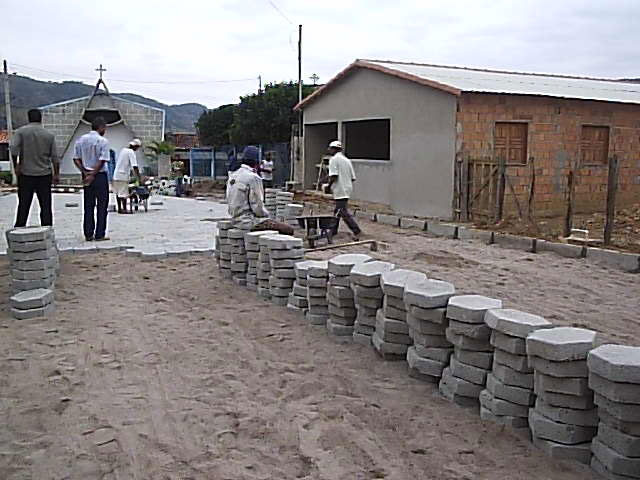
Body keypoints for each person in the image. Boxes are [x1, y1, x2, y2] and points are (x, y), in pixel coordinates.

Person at [226, 145, 293, 235]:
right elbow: (257, 206)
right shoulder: (253, 178)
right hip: (249, 221)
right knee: (287, 229)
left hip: (234, 219)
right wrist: (267, 217)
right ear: (256, 162)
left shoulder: (233, 175)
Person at [10, 108, 59, 227]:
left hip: (26, 173)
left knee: (23, 205)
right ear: (40, 118)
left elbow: (13, 149)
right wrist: (56, 174)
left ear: (29, 118)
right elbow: (55, 158)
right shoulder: (49, 135)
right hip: (44, 174)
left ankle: (19, 229)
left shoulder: (21, 132)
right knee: (45, 206)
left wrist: (17, 165)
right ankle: (47, 230)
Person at [73, 117, 110, 241]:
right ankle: (100, 233)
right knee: (102, 205)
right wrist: (93, 173)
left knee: (88, 205)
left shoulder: (81, 140)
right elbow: (102, 159)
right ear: (101, 127)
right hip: (99, 175)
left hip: (86, 174)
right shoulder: (103, 141)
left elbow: (76, 159)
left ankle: (88, 233)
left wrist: (85, 172)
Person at [326, 140, 362, 240]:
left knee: (341, 211)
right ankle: (333, 230)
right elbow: (353, 177)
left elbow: (334, 176)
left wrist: (328, 187)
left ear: (334, 149)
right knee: (338, 210)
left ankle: (356, 230)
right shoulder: (347, 160)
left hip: (340, 189)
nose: (329, 150)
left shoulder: (334, 159)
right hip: (347, 188)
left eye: (330, 148)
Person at [112, 139, 142, 213]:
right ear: (136, 146)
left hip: (116, 175)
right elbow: (134, 166)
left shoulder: (123, 150)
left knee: (118, 192)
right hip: (123, 176)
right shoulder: (131, 152)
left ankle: (119, 208)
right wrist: (139, 178)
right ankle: (124, 209)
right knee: (124, 193)